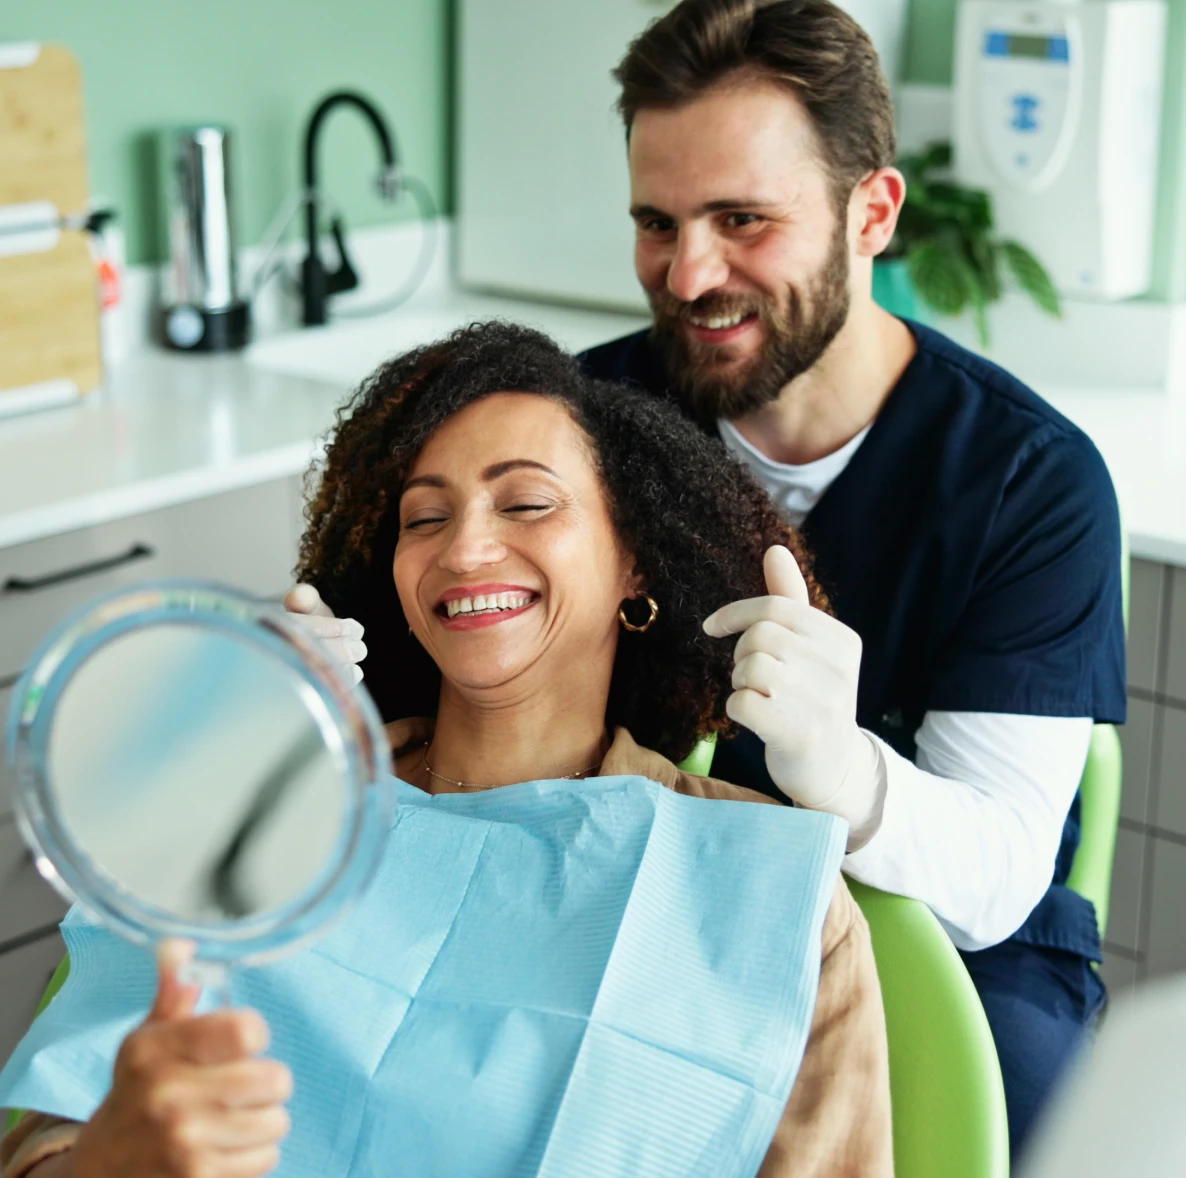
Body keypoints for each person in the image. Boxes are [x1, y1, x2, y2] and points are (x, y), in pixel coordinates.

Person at [292, 0, 1127, 1157]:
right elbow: (428, 645)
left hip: (941, 934)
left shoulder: (1028, 482)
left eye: (743, 219)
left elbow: (995, 876)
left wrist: (841, 771)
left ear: (870, 212)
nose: (689, 273)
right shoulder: (586, 420)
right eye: (657, 221)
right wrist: (298, 698)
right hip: (622, 889)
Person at [1, 322, 892, 1178]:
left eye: (527, 503)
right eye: (423, 519)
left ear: (636, 563)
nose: (464, 549)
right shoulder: (256, 812)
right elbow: (56, 1129)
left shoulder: (769, 890)